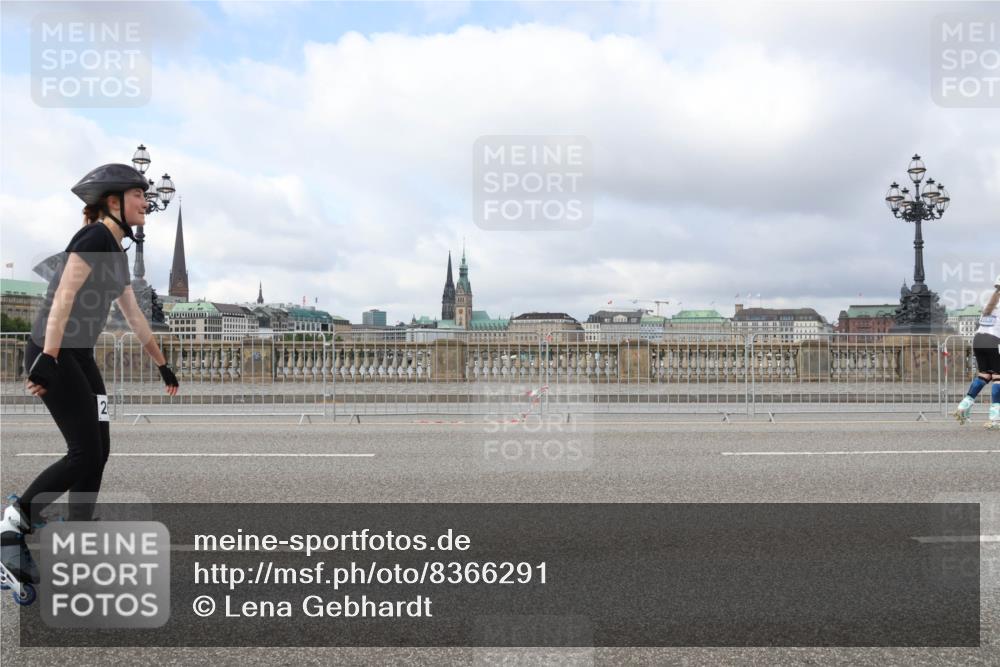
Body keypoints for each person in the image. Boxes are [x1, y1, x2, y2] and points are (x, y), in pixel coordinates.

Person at [0, 164, 181, 597]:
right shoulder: (94, 237)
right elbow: (63, 296)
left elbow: (134, 317)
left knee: (99, 451)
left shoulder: (115, 253)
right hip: (56, 351)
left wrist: (162, 365)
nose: (146, 202)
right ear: (113, 201)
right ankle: (12, 526)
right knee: (82, 453)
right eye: (138, 194)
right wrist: (48, 357)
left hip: (78, 355)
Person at [953, 275, 1000, 429]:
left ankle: (964, 405)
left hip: (978, 340)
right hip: (994, 341)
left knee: (984, 375)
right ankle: (995, 419)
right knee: (998, 378)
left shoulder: (990, 304)